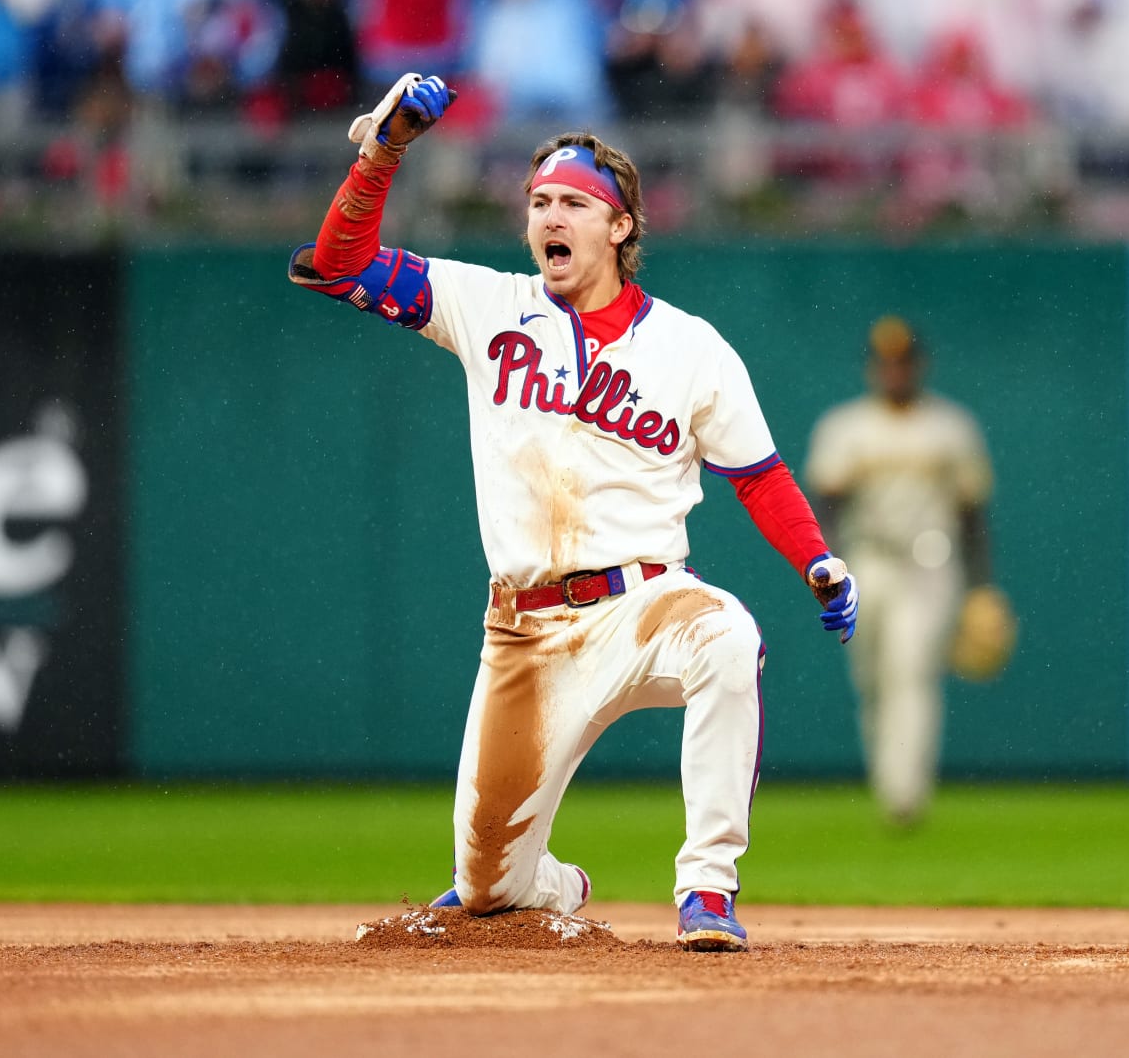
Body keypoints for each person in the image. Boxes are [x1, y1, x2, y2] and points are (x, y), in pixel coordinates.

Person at [288, 75, 859, 953]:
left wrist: (816, 558)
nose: (549, 216)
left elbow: (760, 473)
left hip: (645, 603)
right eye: (538, 201)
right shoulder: (489, 306)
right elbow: (336, 264)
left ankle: (707, 886)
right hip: (524, 629)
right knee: (488, 889)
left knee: (728, 639)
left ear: (620, 226)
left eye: (572, 203)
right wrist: (386, 150)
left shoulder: (690, 346)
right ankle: (555, 880)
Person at [802, 316, 994, 828]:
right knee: (872, 677)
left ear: (919, 365)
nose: (895, 371)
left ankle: (904, 792)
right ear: (873, 368)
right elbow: (829, 508)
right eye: (886, 362)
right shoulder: (845, 428)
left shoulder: (951, 427)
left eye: (903, 361)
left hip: (932, 563)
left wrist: (981, 588)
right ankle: (892, 779)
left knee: (910, 670)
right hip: (868, 562)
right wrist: (828, 570)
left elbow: (973, 514)